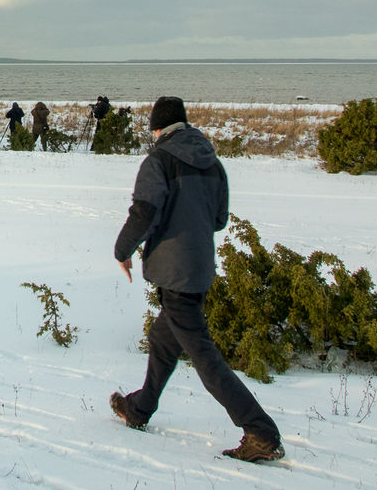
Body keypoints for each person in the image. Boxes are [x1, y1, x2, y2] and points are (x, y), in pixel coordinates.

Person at [109, 96, 284, 463]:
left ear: (157, 128)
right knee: (163, 338)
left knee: (204, 358)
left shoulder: (158, 159)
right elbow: (219, 219)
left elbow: (144, 212)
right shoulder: (212, 162)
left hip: (175, 272)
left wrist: (122, 250)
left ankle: (260, 431)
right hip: (200, 267)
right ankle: (138, 409)